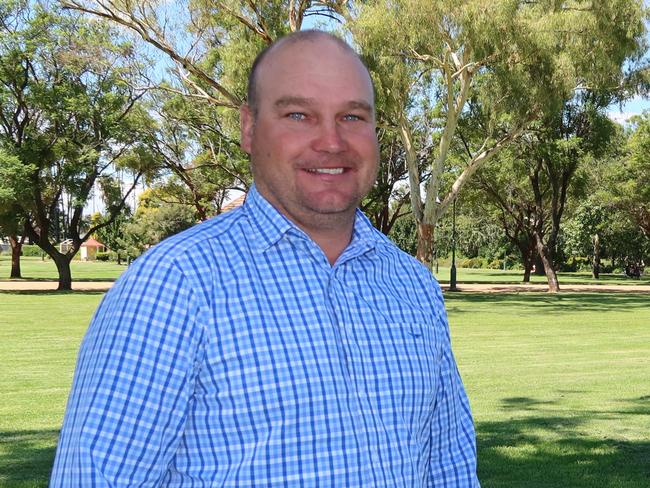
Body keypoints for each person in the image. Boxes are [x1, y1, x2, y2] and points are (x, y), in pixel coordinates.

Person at [50, 30, 479, 487]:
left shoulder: (413, 285)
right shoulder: (174, 285)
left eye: (352, 116)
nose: (332, 142)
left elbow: (448, 469)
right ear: (249, 128)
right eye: (299, 115)